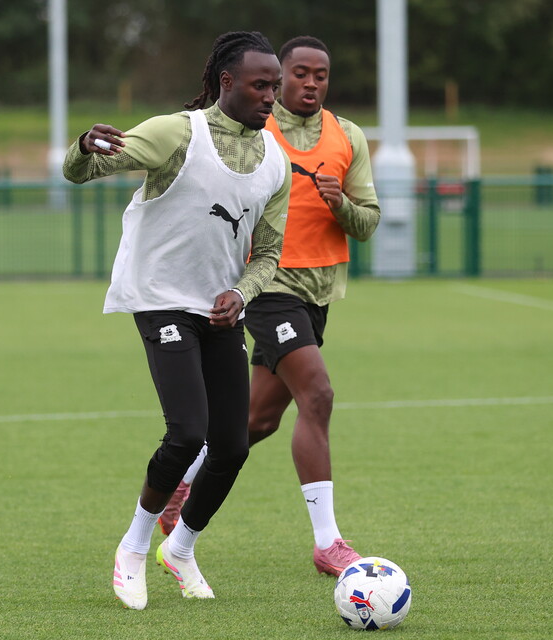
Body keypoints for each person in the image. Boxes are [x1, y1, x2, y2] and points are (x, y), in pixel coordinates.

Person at [62, 31, 291, 610]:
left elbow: (268, 253)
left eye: (276, 86)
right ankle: (134, 547)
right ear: (226, 82)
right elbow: (82, 171)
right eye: (261, 84)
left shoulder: (277, 163)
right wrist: (85, 145)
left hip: (218, 309)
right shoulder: (177, 132)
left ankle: (181, 548)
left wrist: (243, 293)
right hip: (161, 298)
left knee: (233, 445)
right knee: (188, 431)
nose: (271, 96)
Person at [161, 35, 380, 577]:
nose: (310, 83)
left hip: (318, 294)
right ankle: (328, 541)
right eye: (298, 74)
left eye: (320, 75)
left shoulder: (347, 136)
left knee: (254, 423)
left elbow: (369, 222)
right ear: (280, 77)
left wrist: (343, 204)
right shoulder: (258, 127)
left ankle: (181, 483)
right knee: (319, 393)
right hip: (266, 287)